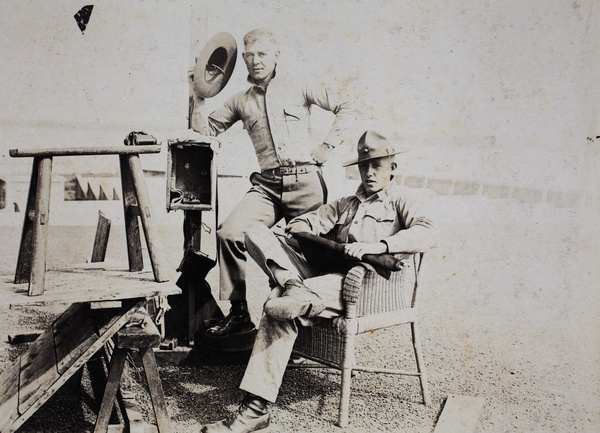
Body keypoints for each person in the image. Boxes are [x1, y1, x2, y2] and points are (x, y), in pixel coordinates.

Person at [201, 131, 438, 433]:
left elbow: (428, 233)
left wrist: (377, 246)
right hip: (322, 277)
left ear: (393, 167)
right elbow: (302, 222)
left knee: (277, 304)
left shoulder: (402, 201)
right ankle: (294, 285)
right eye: (364, 165)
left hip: (361, 286)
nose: (369, 172)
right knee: (255, 232)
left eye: (377, 165)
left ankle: (255, 409)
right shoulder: (346, 204)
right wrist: (309, 235)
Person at [189, 28, 359, 338]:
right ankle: (239, 314)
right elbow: (204, 131)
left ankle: (303, 327)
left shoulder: (300, 86)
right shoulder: (241, 100)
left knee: (307, 250)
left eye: (262, 54)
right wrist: (198, 95)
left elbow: (347, 105)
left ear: (276, 56)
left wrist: (328, 146)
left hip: (306, 183)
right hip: (266, 187)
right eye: (249, 56)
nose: (255, 61)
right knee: (229, 233)